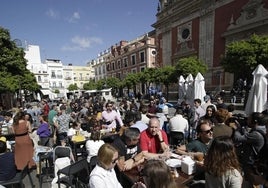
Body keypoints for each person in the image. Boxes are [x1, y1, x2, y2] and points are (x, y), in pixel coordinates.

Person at [232, 112, 266, 187]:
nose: (247, 120)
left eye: (249, 119)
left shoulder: (256, 134)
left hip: (251, 164)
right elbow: (247, 135)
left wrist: (237, 129)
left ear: (255, 121)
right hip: (252, 163)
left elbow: (238, 138)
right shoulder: (259, 130)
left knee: (251, 183)